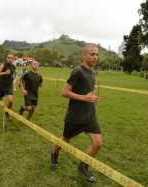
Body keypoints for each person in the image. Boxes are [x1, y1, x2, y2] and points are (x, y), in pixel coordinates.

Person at [50, 43, 102, 183]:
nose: (95, 57)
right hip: (75, 116)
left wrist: (92, 97)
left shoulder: (93, 72)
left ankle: (83, 166)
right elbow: (64, 92)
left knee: (97, 143)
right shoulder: (77, 71)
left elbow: (88, 90)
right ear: (84, 55)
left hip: (90, 114)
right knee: (65, 139)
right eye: (92, 54)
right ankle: (54, 153)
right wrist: (84, 98)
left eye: (97, 54)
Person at [0, 54, 16, 124]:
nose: (10, 59)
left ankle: (7, 112)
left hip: (9, 86)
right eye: (8, 58)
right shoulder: (3, 65)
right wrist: (4, 72)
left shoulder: (13, 67)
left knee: (10, 101)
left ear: (13, 59)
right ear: (6, 58)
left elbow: (12, 76)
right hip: (2, 86)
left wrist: (13, 84)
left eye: (11, 58)